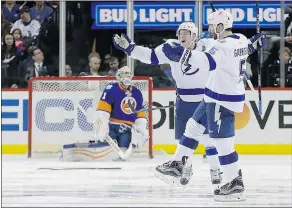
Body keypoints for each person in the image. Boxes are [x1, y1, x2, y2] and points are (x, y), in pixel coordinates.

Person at [113, 22, 223, 190]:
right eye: (180, 33)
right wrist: (130, 49)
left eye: (186, 33)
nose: (182, 36)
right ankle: (185, 168)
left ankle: (216, 170)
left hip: (204, 100)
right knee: (182, 140)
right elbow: (150, 56)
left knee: (209, 140)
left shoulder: (205, 47)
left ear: (194, 35)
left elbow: (220, 57)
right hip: (183, 101)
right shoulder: (171, 48)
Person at [156, 10, 249, 202]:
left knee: (222, 142)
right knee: (193, 126)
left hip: (220, 98)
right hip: (215, 95)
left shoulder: (221, 47)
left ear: (220, 26)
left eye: (211, 25)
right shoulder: (241, 39)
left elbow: (207, 62)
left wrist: (182, 54)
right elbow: (240, 47)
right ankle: (177, 164)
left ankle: (234, 183)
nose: (209, 29)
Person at [62, 66, 148, 161]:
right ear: (119, 77)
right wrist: (102, 126)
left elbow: (140, 113)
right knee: (107, 149)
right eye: (123, 75)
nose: (126, 77)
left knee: (123, 150)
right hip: (112, 126)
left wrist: (142, 129)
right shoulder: (111, 89)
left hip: (126, 128)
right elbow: (103, 111)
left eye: (127, 75)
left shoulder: (137, 92)